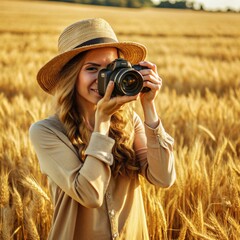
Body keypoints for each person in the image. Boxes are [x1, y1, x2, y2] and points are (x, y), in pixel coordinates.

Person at [29, 18, 176, 240]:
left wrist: (149, 106)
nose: (103, 79)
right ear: (71, 76)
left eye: (111, 69)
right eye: (92, 69)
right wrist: (102, 122)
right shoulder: (47, 132)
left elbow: (163, 178)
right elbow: (90, 194)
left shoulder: (130, 122)